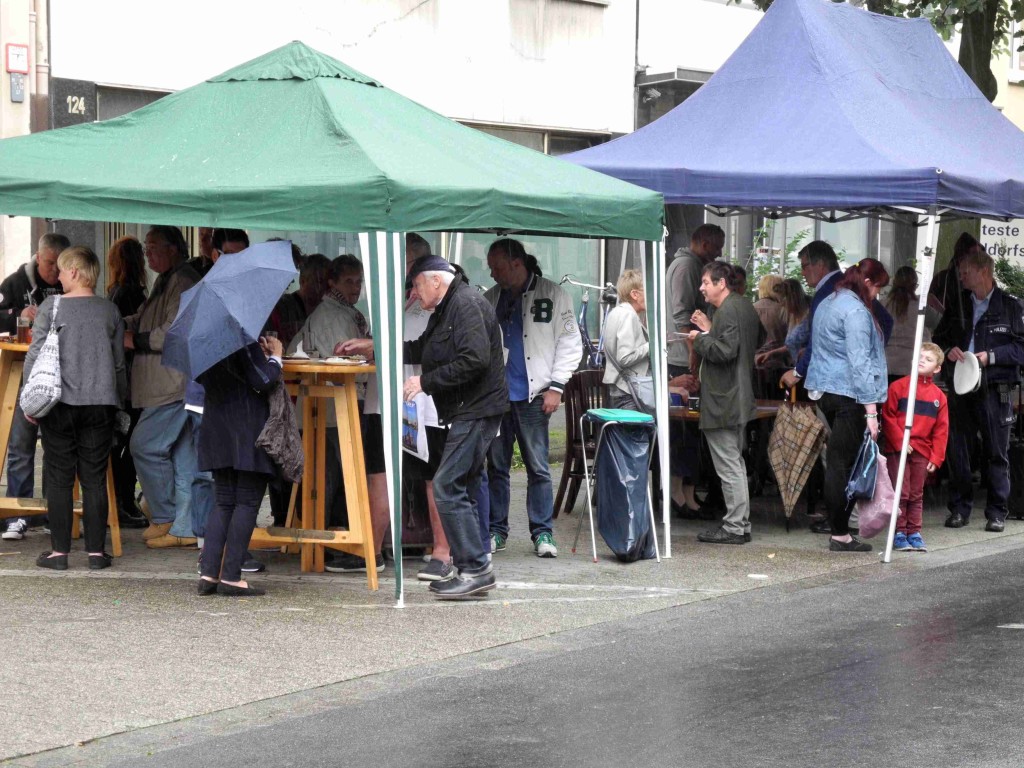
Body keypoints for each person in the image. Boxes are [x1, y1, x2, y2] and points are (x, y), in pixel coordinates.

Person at [403, 255, 508, 599]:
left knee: (446, 484)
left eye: (417, 284)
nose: (414, 293)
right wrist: (379, 350)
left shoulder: (465, 304)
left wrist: (425, 382)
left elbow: (474, 360)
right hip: (469, 409)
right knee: (463, 485)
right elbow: (426, 349)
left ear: (435, 280)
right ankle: (473, 570)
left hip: (476, 409)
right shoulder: (448, 306)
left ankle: (475, 569)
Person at [289, 256, 391, 573]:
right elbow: (345, 363)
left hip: (340, 403)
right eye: (349, 281)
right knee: (338, 479)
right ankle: (336, 543)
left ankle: (339, 543)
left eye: (359, 281)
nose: (356, 287)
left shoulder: (346, 312)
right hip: (333, 407)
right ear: (331, 282)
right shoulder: (330, 314)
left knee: (338, 477)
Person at [27, 246, 126, 570]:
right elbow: (119, 364)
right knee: (94, 478)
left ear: (74, 271)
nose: (58, 276)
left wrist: (31, 398)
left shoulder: (50, 307)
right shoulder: (110, 310)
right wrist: (120, 401)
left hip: (59, 402)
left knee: (59, 476)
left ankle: (59, 553)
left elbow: (35, 354)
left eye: (62, 270)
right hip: (100, 403)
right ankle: (96, 553)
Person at [483, 238, 582, 558]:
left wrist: (557, 386)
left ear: (516, 264)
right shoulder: (490, 298)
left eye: (497, 267)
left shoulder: (554, 295)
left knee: (538, 467)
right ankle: (496, 531)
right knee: (496, 466)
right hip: (498, 396)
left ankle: (542, 533)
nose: (492, 273)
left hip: (535, 394)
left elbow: (570, 343)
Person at [933, 250, 1024, 532]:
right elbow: (939, 339)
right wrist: (948, 350)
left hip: (995, 386)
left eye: (965, 271)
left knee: (997, 451)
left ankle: (997, 512)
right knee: (958, 450)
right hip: (960, 385)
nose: (961, 277)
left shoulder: (1011, 306)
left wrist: (991, 357)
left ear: (983, 271)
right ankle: (959, 509)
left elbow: (1021, 348)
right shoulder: (958, 304)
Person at [803, 258, 890, 553]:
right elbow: (859, 362)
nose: (878, 294)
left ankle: (839, 529)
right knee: (843, 464)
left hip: (824, 390)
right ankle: (840, 533)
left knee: (837, 461)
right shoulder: (855, 311)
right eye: (877, 288)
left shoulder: (828, 301)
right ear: (867, 283)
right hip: (850, 395)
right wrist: (871, 411)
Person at [126, 226, 201, 549]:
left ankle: (165, 515)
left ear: (173, 249)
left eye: (153, 247)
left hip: (172, 383)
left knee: (144, 445)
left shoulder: (183, 280)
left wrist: (136, 340)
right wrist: (114, 322)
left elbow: (174, 332)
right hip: (167, 383)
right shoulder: (165, 279)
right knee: (183, 457)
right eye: (146, 247)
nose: (147, 254)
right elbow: (143, 316)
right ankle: (184, 527)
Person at [196, 337, 283, 596]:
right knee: (246, 501)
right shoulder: (240, 336)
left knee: (223, 502)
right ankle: (231, 576)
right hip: (246, 428)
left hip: (216, 426)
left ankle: (209, 574)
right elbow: (262, 380)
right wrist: (275, 357)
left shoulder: (204, 341)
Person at [687, 261, 762, 544]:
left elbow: (725, 351)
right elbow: (755, 339)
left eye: (706, 282)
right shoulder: (743, 305)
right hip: (739, 394)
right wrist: (710, 330)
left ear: (721, 284)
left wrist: (700, 338)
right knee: (736, 463)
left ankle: (734, 526)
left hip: (724, 398)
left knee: (728, 465)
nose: (701, 287)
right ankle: (740, 524)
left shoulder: (727, 309)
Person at [0, 232, 68, 541]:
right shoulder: (15, 283)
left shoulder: (71, 281)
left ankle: (56, 512)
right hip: (23, 373)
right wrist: (17, 314)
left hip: (62, 376)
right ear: (38, 257)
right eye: (50, 263)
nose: (55, 270)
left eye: (60, 264)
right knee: (21, 445)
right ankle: (17, 515)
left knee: (58, 447)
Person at [665, 224, 725, 518]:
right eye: (716, 246)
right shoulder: (687, 266)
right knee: (683, 429)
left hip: (684, 351)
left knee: (689, 429)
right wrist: (693, 351)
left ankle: (686, 492)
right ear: (703, 243)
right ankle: (678, 492)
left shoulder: (687, 264)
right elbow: (682, 313)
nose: (719, 253)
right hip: (681, 355)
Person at [881, 343, 949, 552]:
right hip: (898, 449)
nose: (922, 361)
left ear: (937, 368)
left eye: (928, 359)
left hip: (922, 450)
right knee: (901, 492)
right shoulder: (898, 387)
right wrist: (900, 440)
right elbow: (888, 416)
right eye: (919, 356)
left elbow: (941, 429)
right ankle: (899, 532)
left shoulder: (939, 397)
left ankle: (914, 531)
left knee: (916, 493)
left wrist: (936, 457)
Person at [105, 236, 149, 530]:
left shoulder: (115, 293)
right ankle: (124, 501)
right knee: (129, 444)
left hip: (120, 377)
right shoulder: (132, 294)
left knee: (122, 442)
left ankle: (121, 501)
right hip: (133, 377)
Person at [603, 269, 649, 410]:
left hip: (621, 388)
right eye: (648, 291)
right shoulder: (628, 315)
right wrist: (653, 345)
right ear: (635, 294)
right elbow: (625, 358)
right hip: (627, 390)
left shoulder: (616, 312)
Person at [884, 266, 940, 380]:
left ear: (894, 282)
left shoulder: (883, 304)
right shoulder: (921, 306)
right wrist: (937, 304)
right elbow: (941, 324)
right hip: (915, 366)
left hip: (888, 365)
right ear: (914, 286)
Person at [267, 253, 330, 349]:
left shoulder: (328, 310)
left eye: (328, 283)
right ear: (303, 281)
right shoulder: (282, 306)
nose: (325, 287)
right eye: (319, 281)